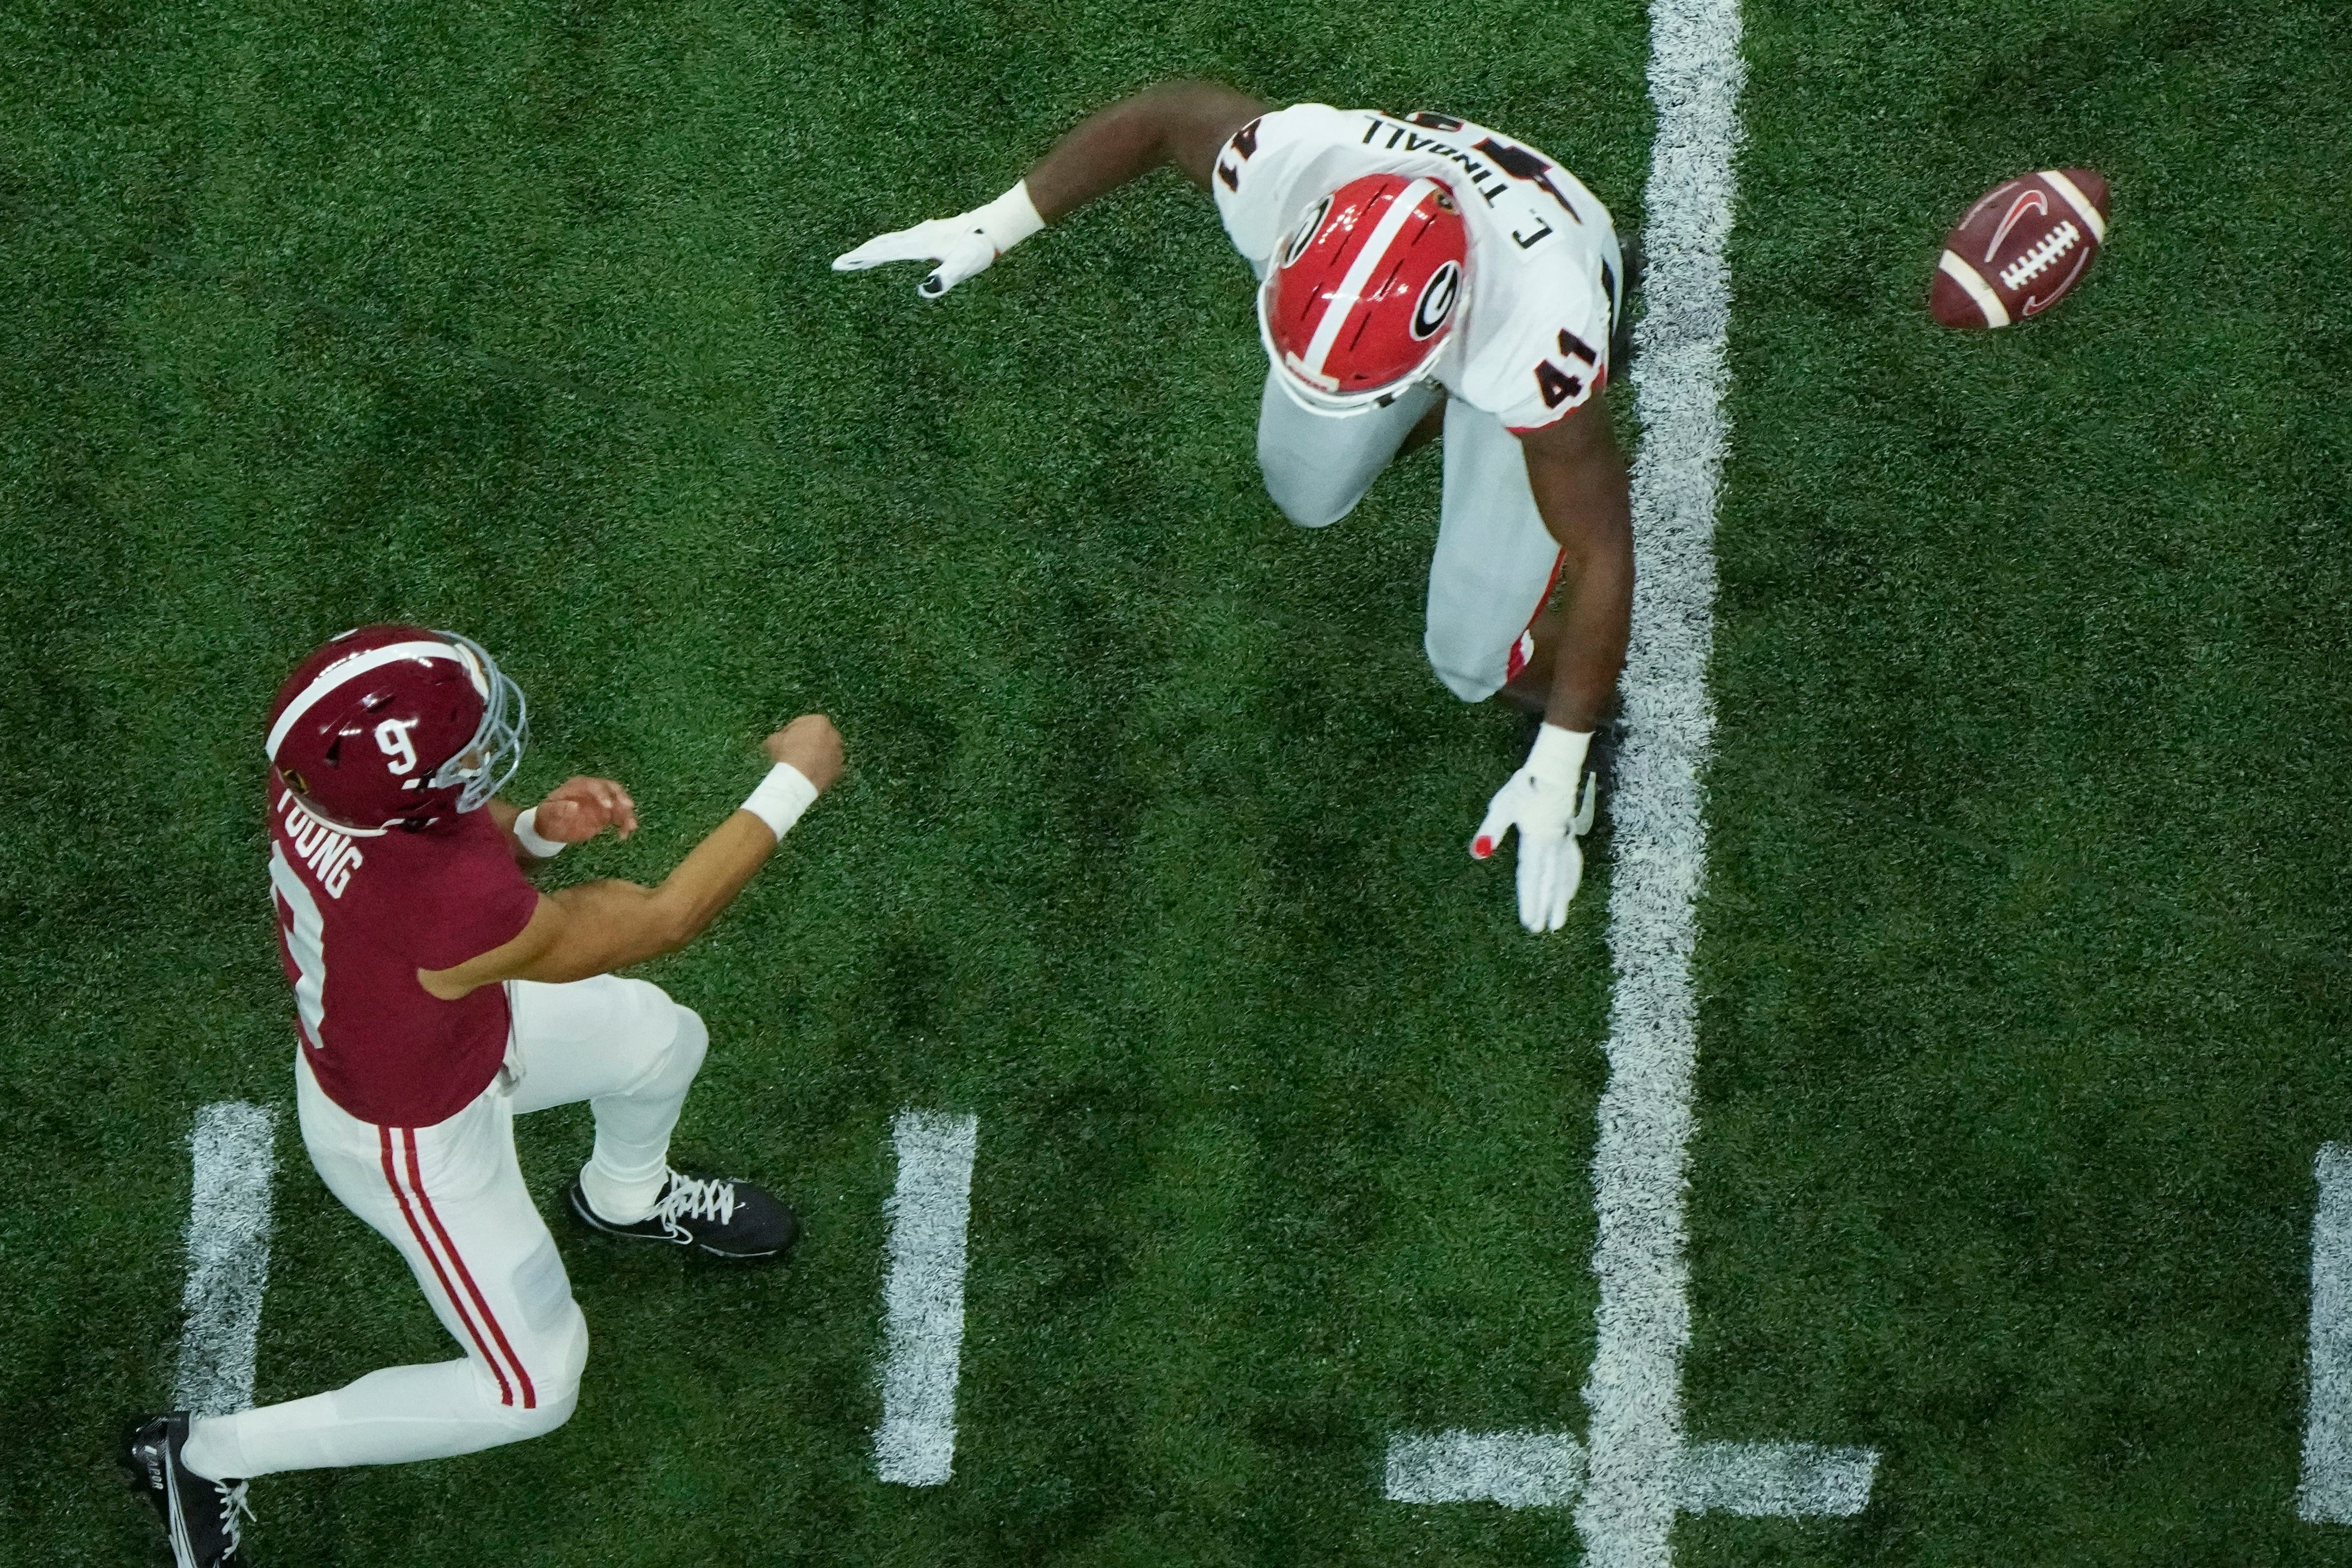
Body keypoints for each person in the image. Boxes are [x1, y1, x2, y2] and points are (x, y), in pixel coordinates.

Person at [122, 624, 844, 1568]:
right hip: (414, 1141)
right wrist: (798, 777)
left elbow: (452, 835)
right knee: (532, 1388)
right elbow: (668, 914)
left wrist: (541, 828)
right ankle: (201, 1453)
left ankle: (624, 1196)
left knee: (663, 1038)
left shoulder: (317, 781)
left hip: (451, 1022)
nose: (479, 752)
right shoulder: (444, 904)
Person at [836, 82, 1634, 933]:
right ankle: (1421, 394)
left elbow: (1602, 552)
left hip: (1540, 282)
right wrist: (995, 224)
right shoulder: (1293, 166)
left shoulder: (1542, 333)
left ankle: (1564, 716)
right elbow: (1164, 116)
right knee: (1306, 489)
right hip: (1436, 272)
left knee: (1471, 658)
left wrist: (1561, 751)